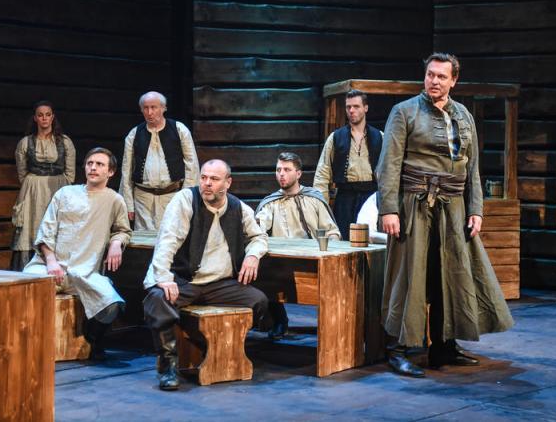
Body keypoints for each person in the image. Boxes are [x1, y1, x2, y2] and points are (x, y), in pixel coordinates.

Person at [376, 53, 514, 378]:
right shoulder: (404, 112)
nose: (434, 81)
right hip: (415, 205)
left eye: (441, 76)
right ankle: (398, 348)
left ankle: (443, 346)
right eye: (430, 74)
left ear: (454, 80)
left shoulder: (464, 115)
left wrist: (476, 209)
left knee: (451, 275)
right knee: (409, 276)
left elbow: (473, 168)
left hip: (453, 208)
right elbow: (388, 165)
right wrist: (389, 209)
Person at [142, 159, 270, 391]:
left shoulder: (238, 207)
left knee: (258, 301)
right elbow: (168, 240)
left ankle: (221, 350)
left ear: (228, 183)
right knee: (157, 299)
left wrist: (253, 255)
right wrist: (163, 277)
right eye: (204, 177)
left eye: (214, 179)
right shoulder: (185, 200)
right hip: (185, 280)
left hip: (219, 284)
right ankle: (169, 366)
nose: (207, 183)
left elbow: (259, 237)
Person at [24, 148, 132, 361]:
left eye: (100, 164)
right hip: (49, 267)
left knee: (113, 304)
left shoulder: (114, 200)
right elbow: (46, 230)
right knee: (24, 288)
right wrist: (51, 261)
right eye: (90, 163)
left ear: (110, 172)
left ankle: (92, 340)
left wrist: (116, 243)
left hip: (84, 271)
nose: (93, 168)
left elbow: (123, 230)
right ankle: (31, 344)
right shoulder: (65, 193)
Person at [255, 152, 340, 339]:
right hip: (281, 262)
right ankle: (279, 321)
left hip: (312, 260)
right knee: (261, 272)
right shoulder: (271, 203)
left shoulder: (314, 199)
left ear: (299, 173)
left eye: (287, 170)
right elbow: (259, 226)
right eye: (278, 170)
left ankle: (330, 328)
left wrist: (329, 251)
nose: (281, 174)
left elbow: (332, 231)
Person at [119, 91, 200, 231]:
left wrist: (186, 199)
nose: (149, 112)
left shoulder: (179, 130)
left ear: (163, 108)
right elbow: (126, 171)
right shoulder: (134, 134)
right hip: (142, 200)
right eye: (145, 108)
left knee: (170, 235)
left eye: (154, 107)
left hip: (172, 196)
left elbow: (192, 166)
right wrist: (128, 204)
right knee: (143, 238)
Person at [10, 101, 76, 270]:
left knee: (56, 225)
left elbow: (70, 174)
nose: (44, 118)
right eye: (40, 115)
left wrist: (62, 188)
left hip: (57, 188)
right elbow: (22, 173)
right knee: (30, 226)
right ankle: (27, 270)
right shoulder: (25, 143)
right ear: (35, 118)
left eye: (48, 114)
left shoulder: (65, 142)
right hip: (32, 191)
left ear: (53, 117)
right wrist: (33, 185)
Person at [313, 89, 383, 240]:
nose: (351, 110)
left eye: (356, 106)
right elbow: (322, 174)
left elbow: (389, 173)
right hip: (345, 198)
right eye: (348, 107)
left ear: (365, 108)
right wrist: (321, 209)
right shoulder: (336, 137)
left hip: (371, 197)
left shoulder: (380, 137)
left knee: (370, 241)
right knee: (344, 240)